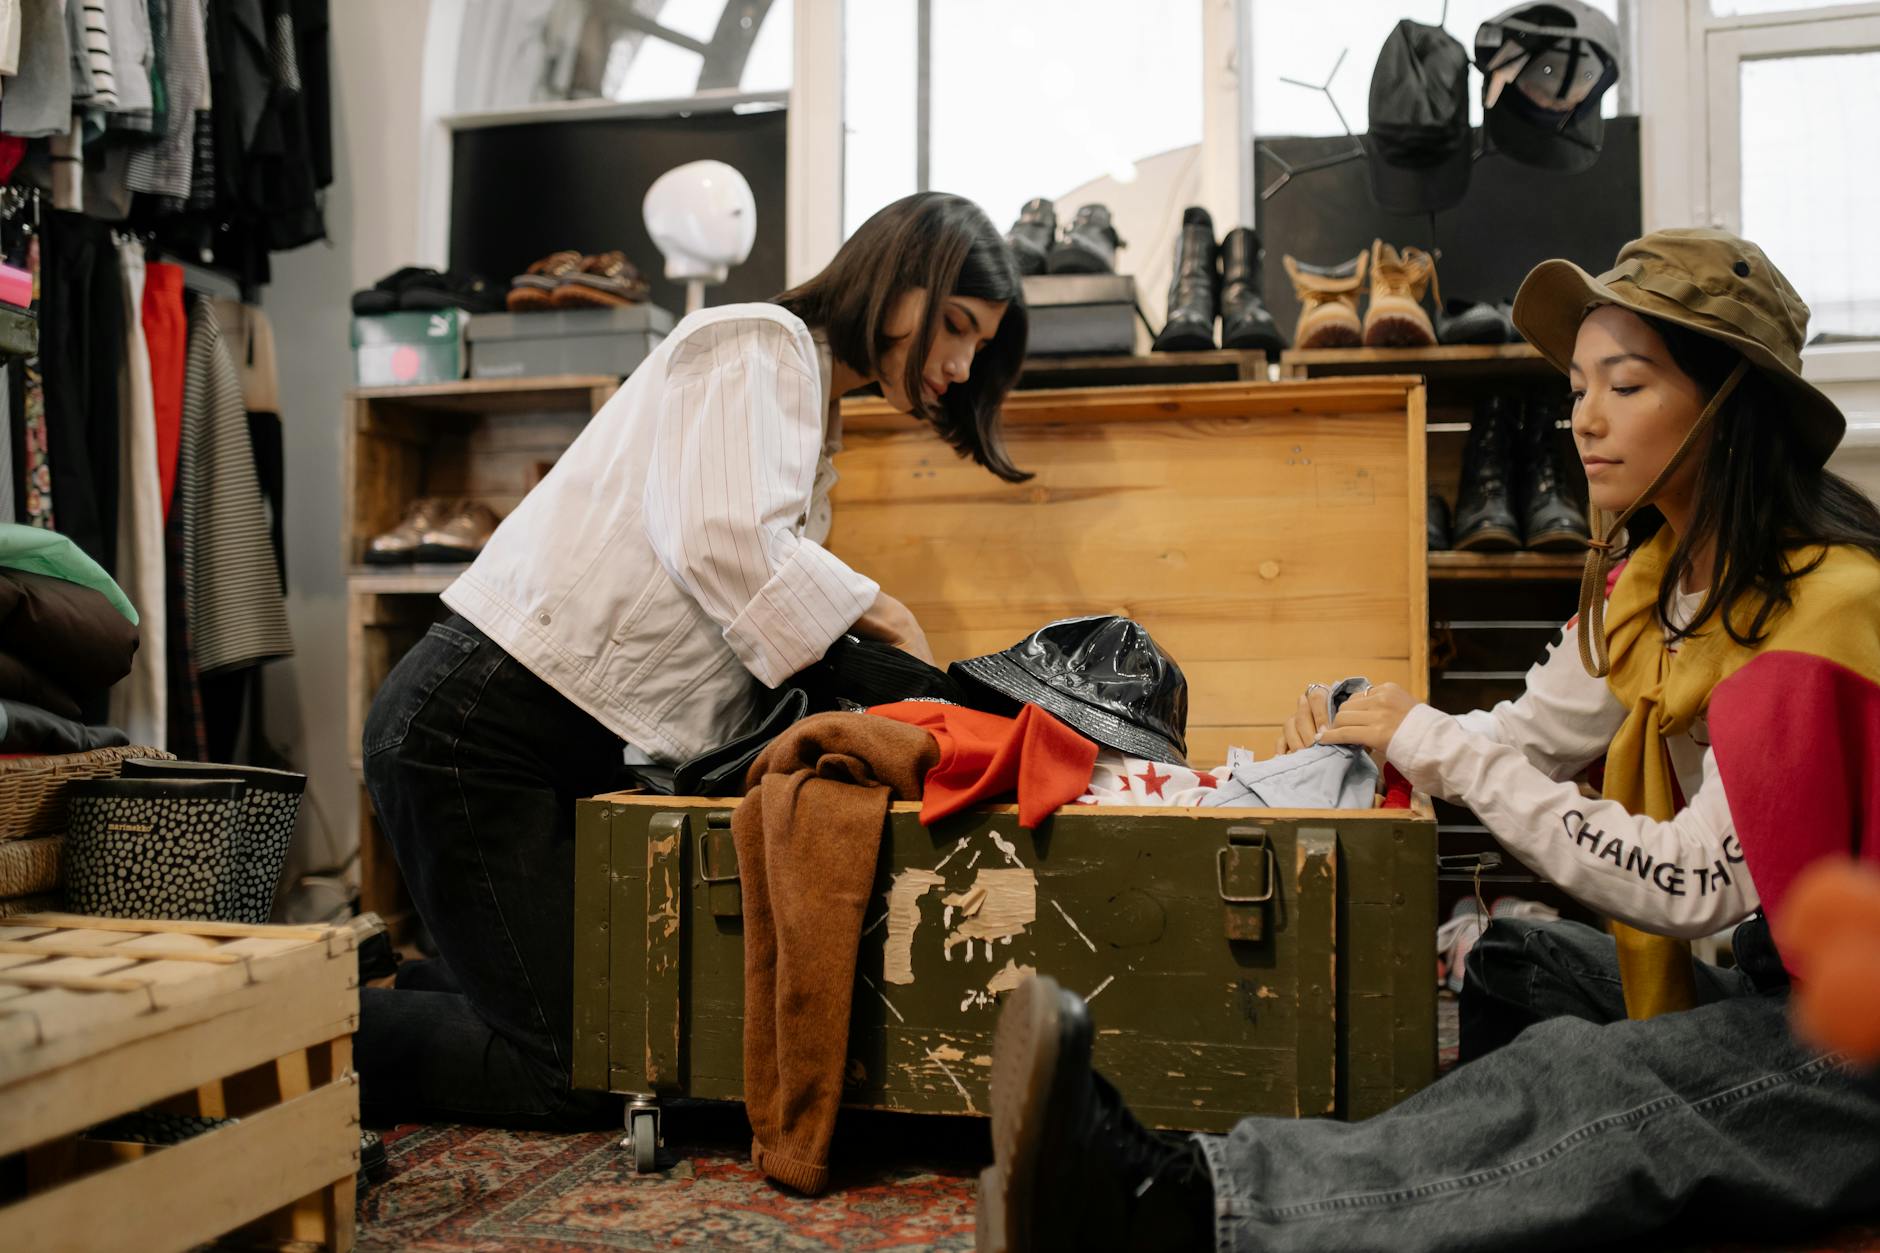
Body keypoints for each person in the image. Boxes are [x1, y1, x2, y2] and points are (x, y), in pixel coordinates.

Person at [976, 229, 1880, 1252]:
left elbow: (1686, 886)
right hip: (1785, 985)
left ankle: (1188, 1205)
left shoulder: (1819, 614)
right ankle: (1514, 1188)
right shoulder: (1656, 586)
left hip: (1855, 1035)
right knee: (1512, 957)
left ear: (1729, 406)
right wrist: (1375, 724)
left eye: (1622, 385)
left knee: (1588, 1074)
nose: (1580, 416)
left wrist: (1432, 743)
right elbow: (1526, 737)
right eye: (1576, 383)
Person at [357, 192, 1028, 1128]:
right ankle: (308, 1027)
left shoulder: (805, 407)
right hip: (476, 728)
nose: (960, 366)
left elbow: (741, 608)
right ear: (894, 277)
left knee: (618, 1021)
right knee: (578, 1072)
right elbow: (723, 543)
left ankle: (432, 982)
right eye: (955, 326)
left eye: (979, 348)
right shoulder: (760, 345)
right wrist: (884, 611)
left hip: (539, 739)